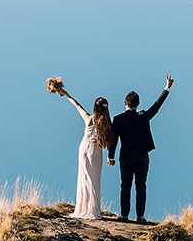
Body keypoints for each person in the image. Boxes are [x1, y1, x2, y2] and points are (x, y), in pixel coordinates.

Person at [108, 75, 174, 223]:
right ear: (138, 104)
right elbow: (157, 105)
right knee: (141, 186)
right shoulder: (143, 116)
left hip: (125, 157)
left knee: (125, 186)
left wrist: (110, 156)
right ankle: (140, 216)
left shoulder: (118, 119)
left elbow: (114, 140)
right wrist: (167, 88)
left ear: (125, 103)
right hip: (142, 157)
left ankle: (124, 215)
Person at [48, 80, 113, 222]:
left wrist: (65, 94)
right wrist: (110, 156)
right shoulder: (107, 124)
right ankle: (93, 210)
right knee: (94, 179)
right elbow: (109, 142)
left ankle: (82, 208)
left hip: (84, 148)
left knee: (84, 178)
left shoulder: (89, 119)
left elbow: (77, 105)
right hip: (96, 151)